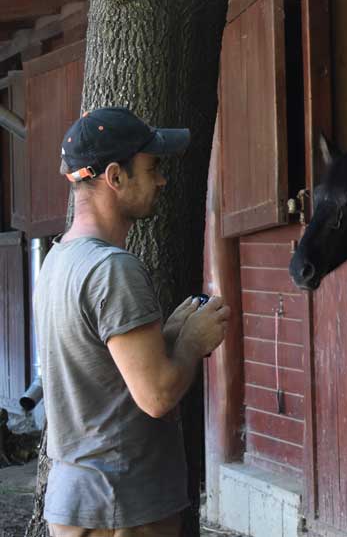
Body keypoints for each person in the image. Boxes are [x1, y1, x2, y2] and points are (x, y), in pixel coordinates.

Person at [34, 107, 230, 537]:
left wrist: (172, 333)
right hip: (122, 507)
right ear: (115, 177)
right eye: (151, 167)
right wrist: (192, 342)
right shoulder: (112, 269)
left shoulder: (58, 260)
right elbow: (157, 396)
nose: (161, 180)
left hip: (77, 502)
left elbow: (105, 377)